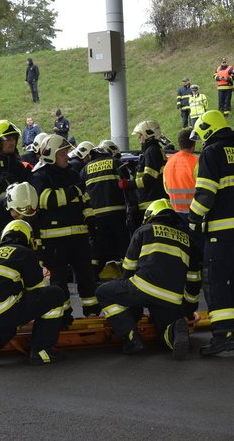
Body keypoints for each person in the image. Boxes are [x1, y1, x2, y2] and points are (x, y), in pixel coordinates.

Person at [188, 110, 234, 356]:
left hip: (220, 231)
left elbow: (206, 194)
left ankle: (223, 335)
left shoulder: (211, 153)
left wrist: (193, 219)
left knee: (215, 282)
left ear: (207, 130)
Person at [95, 199, 200, 358]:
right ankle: (174, 331)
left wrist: (130, 302)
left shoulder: (144, 231)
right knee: (164, 332)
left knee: (103, 292)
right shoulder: (188, 240)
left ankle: (132, 339)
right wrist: (188, 310)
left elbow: (128, 268)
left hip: (142, 288)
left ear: (150, 215)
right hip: (171, 299)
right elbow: (194, 280)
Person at [0, 220, 66, 367]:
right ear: (29, 238)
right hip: (2, 309)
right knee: (54, 295)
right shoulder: (24, 253)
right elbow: (38, 290)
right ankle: (41, 351)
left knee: (12, 313)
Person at [30, 134, 99, 323]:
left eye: (67, 153)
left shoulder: (73, 174)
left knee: (86, 277)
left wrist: (90, 219)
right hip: (54, 241)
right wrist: (72, 192)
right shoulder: (39, 176)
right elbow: (45, 200)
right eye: (63, 154)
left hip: (79, 237)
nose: (67, 157)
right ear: (51, 155)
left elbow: (85, 199)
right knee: (59, 281)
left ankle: (92, 313)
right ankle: (63, 317)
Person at [81, 140, 131, 274]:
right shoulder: (116, 163)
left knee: (98, 247)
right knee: (123, 244)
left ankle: (93, 275)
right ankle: (128, 274)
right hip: (117, 213)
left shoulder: (86, 168)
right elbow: (128, 186)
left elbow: (81, 192)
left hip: (96, 215)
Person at [132, 120, 168, 219]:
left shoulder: (151, 151)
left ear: (148, 135)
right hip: (153, 201)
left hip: (150, 202)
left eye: (140, 135)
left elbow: (148, 179)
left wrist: (129, 184)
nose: (139, 138)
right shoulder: (154, 150)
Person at [163, 129, 197, 223]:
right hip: (195, 213)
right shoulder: (196, 162)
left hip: (175, 213)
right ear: (193, 144)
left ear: (179, 144)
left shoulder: (169, 162)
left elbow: (166, 188)